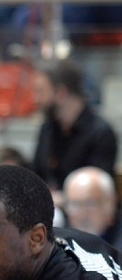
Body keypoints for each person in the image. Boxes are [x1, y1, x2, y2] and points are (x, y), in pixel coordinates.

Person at [30, 60, 119, 203]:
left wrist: (60, 199)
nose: (36, 99)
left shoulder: (101, 133)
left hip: (85, 216)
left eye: (40, 91)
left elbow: (96, 193)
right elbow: (36, 175)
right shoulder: (48, 128)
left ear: (61, 93)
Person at [63, 166, 122, 253]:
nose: (82, 215)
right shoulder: (58, 240)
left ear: (110, 204)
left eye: (90, 204)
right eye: (74, 204)